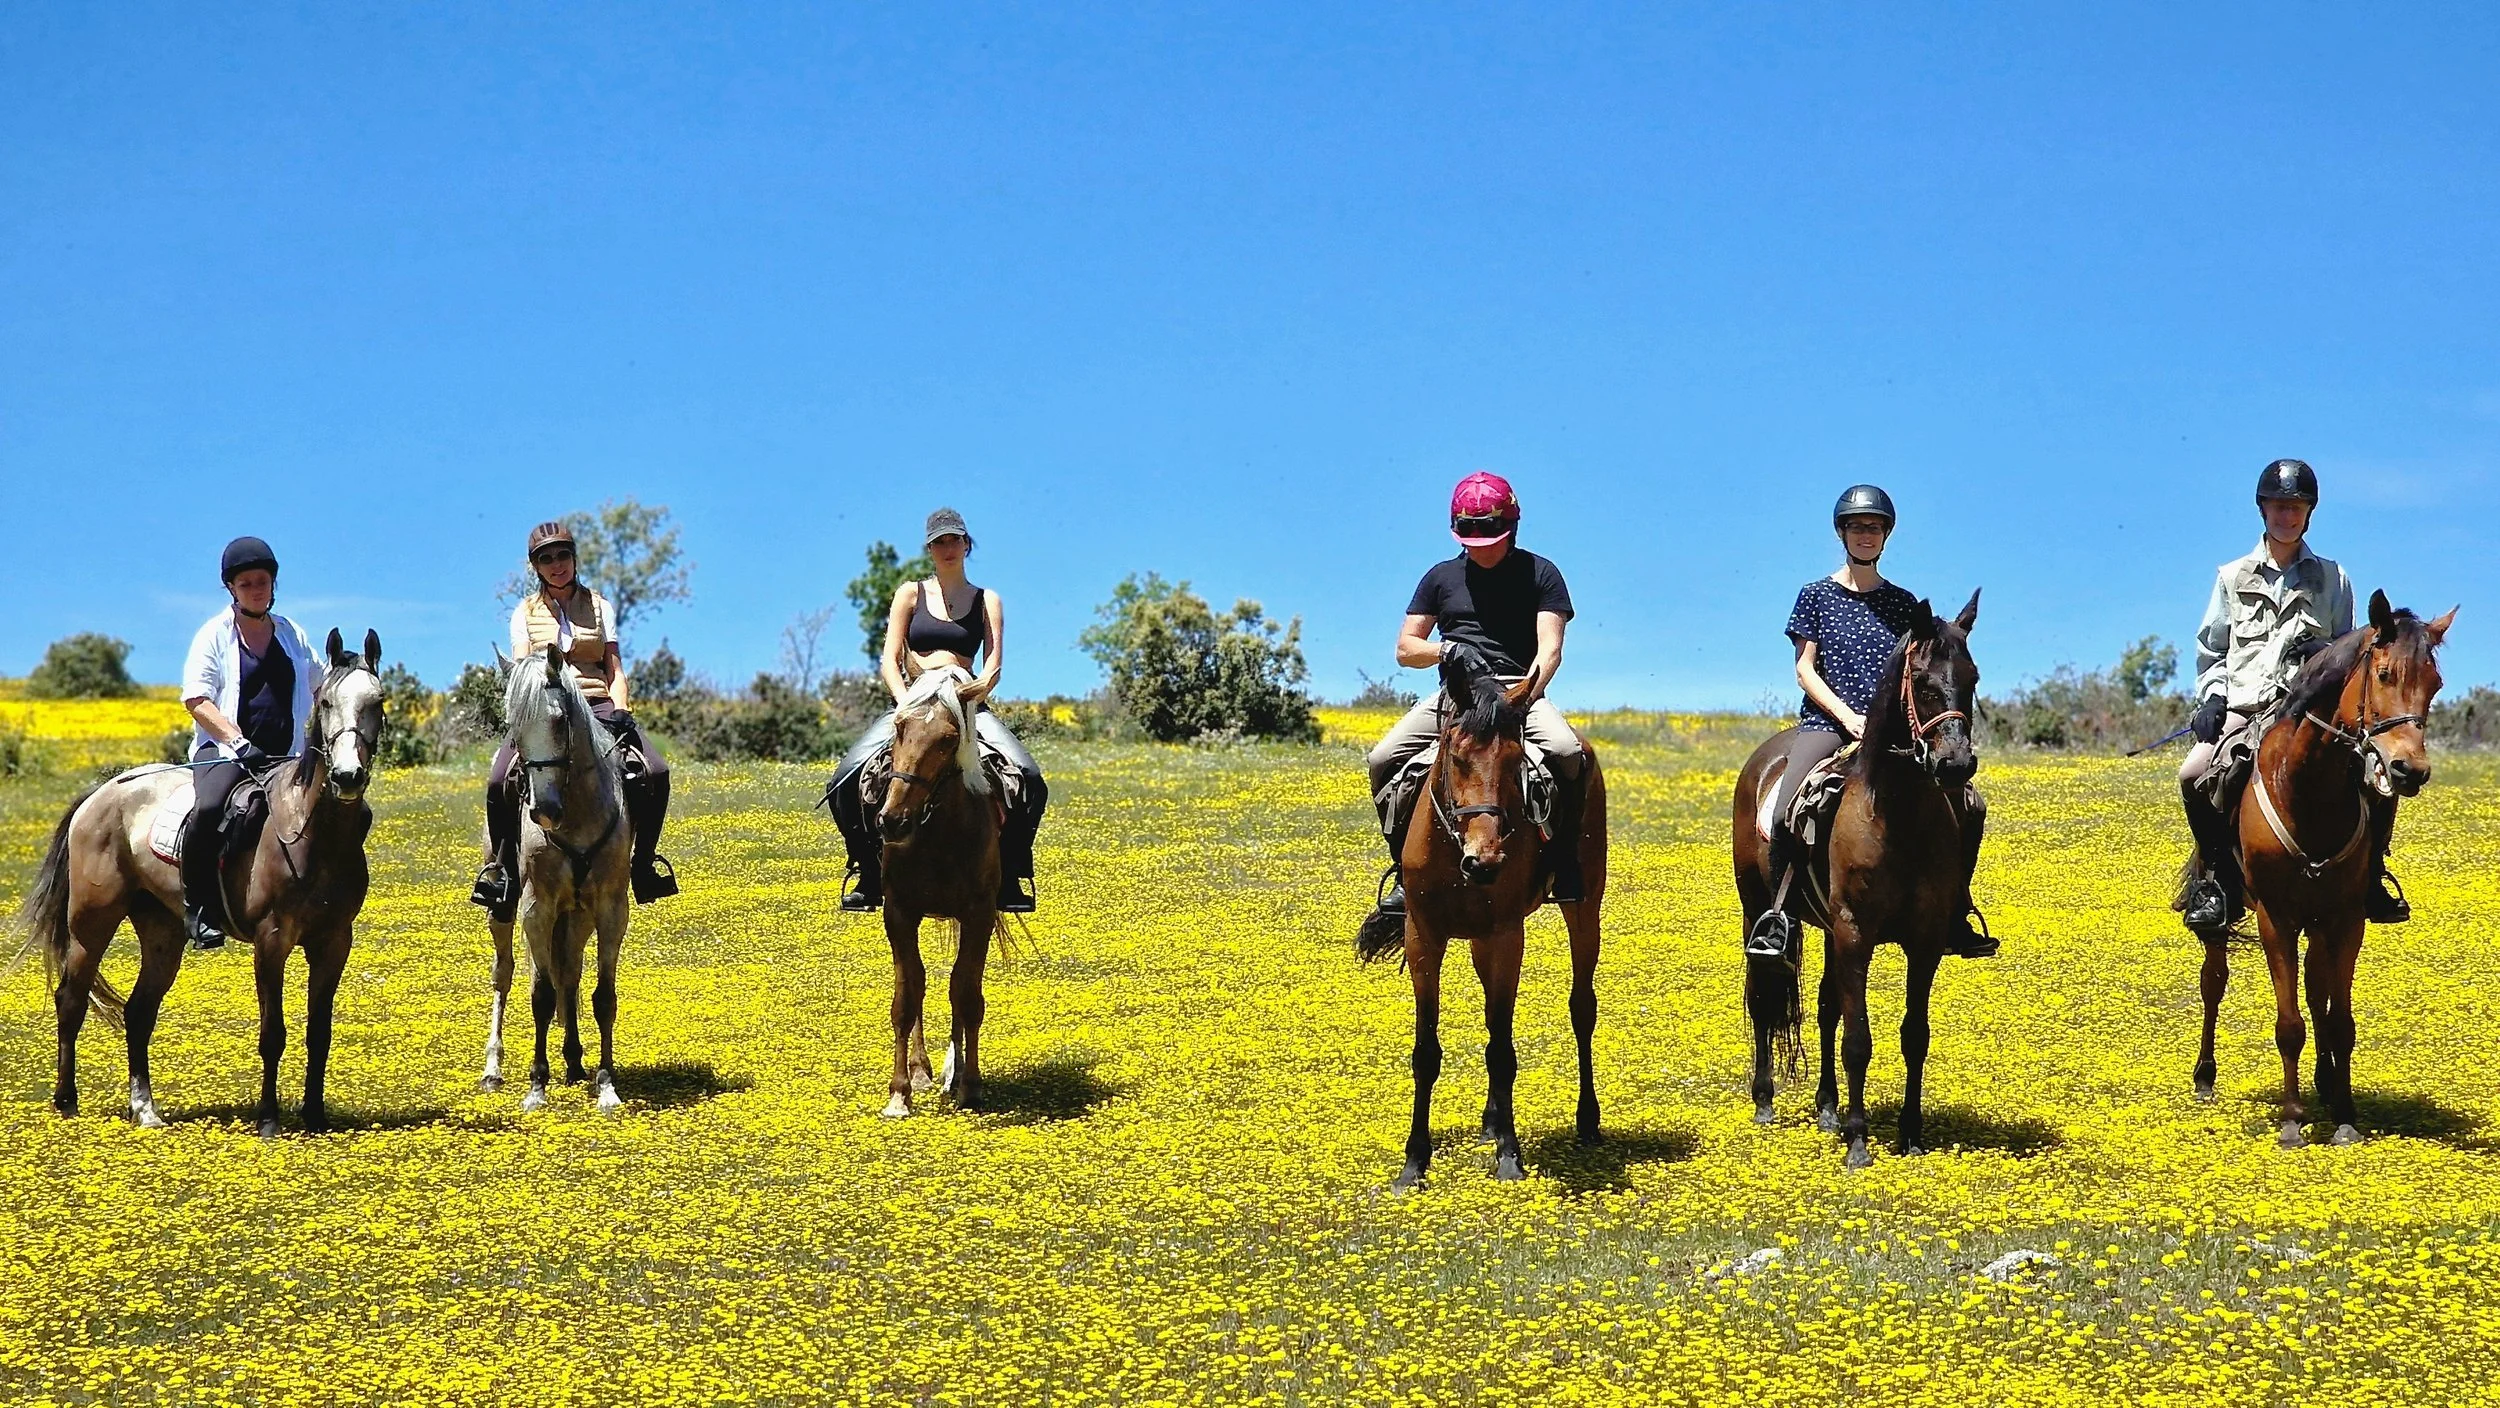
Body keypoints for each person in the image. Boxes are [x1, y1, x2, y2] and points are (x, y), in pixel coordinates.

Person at [1746, 485, 1996, 959]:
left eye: (1875, 527)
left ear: (1886, 536)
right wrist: (1848, 718)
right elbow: (1804, 670)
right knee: (1782, 812)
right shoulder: (1815, 595)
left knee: (1970, 805)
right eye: (1858, 527)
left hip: (1893, 736)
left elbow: (1925, 668)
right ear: (1842, 533)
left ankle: (1955, 909)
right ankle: (1777, 917)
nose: (1866, 535)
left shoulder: (1904, 605)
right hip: (1826, 724)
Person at [2178, 459, 2400, 936]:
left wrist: (2326, 653)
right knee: (2193, 773)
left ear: (2309, 513)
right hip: (2246, 708)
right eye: (2279, 507)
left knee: (2380, 775)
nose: (2287, 516)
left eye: (2296, 508)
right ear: (2263, 510)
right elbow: (2212, 648)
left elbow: (2353, 648)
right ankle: (2214, 882)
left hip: (2312, 713)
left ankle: (2373, 875)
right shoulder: (2232, 576)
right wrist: (2212, 699)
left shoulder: (2334, 578)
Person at [1359, 472, 1588, 922]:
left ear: (1512, 528)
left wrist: (1521, 699)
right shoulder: (1440, 578)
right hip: (1456, 696)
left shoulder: (1542, 573)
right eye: (1471, 534)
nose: (1480, 543)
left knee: (1567, 751)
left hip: (1518, 692)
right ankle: (1405, 871)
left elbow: (1551, 649)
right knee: (1381, 758)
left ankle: (1563, 862)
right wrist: (1447, 649)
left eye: (1489, 534)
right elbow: (1406, 648)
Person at [827, 507, 1048, 914]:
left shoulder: (987, 599)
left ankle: (1013, 874)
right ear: (929, 549)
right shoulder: (909, 594)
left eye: (955, 540)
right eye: (939, 542)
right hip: (914, 700)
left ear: (967, 544)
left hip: (966, 701)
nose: (948, 548)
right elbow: (889, 659)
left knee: (1031, 778)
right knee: (844, 778)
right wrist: (903, 701)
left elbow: (994, 662)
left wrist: (982, 687)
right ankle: (868, 872)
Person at [469, 520, 678, 918]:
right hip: (543, 709)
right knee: (499, 780)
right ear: (536, 568)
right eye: (545, 559)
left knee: (656, 771)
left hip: (597, 705)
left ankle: (644, 863)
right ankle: (501, 872)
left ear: (574, 558)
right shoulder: (523, 614)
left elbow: (614, 667)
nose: (556, 564)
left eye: (562, 555)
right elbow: (522, 668)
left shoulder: (600, 607)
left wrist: (620, 709)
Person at [178, 536, 323, 950]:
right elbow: (196, 699)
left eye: (262, 581)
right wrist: (236, 742)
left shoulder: (292, 633)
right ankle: (199, 905)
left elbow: (319, 684)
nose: (256, 589)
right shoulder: (213, 635)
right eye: (246, 584)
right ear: (231, 590)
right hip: (227, 753)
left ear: (274, 584)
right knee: (208, 807)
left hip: (288, 756)